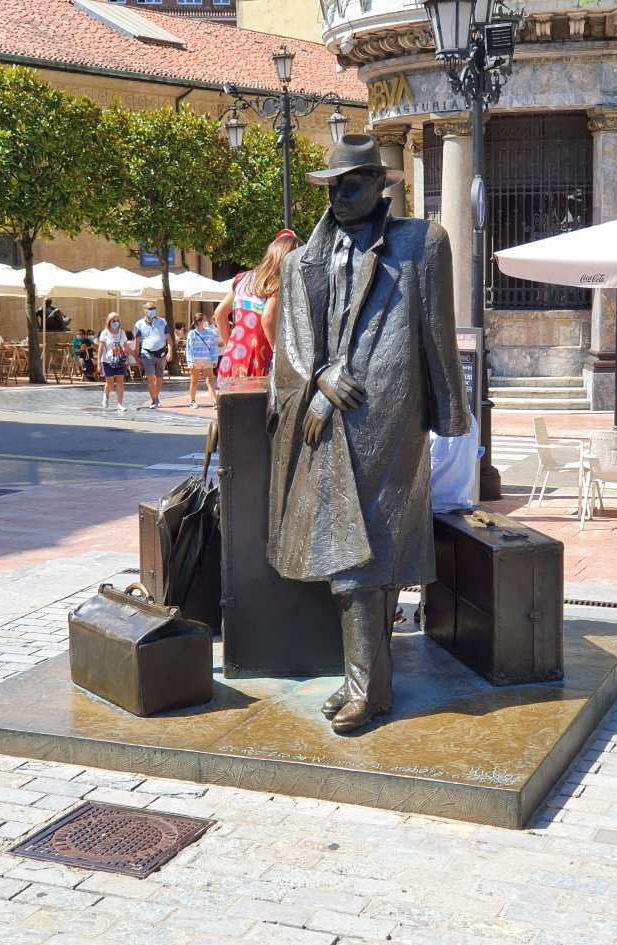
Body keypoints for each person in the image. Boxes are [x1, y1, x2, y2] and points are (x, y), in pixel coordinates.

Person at [267, 134, 470, 734]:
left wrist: (449, 413)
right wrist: (321, 378)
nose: (339, 195)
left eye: (351, 182)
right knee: (355, 553)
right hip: (326, 419)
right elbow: (294, 346)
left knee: (365, 553)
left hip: (390, 415)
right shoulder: (307, 256)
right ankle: (369, 683)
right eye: (332, 185)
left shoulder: (422, 243)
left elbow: (437, 332)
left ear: (381, 184)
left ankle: (367, 686)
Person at [214, 230, 301, 381]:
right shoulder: (277, 283)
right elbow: (267, 319)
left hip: (232, 362)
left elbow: (219, 314)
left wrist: (233, 348)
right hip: (258, 365)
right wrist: (280, 357)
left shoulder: (242, 280)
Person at [133, 301, 173, 409]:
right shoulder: (139, 324)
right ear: (144, 310)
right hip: (147, 352)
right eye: (150, 308)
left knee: (159, 378)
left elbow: (169, 338)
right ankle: (154, 399)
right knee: (150, 377)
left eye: (153, 308)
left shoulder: (162, 322)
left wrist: (170, 351)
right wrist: (136, 357)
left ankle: (156, 396)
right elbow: (136, 342)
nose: (152, 310)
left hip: (161, 353)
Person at [97, 313, 129, 412]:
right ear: (109, 321)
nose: (116, 323)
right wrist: (98, 363)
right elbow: (101, 348)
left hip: (120, 360)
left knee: (120, 382)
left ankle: (119, 404)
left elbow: (125, 346)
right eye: (113, 321)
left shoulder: (122, 333)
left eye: (117, 320)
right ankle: (106, 396)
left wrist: (132, 355)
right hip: (107, 361)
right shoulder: (104, 333)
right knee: (110, 383)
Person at [185, 313, 218, 408]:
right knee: (194, 381)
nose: (206, 321)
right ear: (199, 322)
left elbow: (212, 346)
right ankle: (192, 401)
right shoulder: (192, 333)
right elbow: (189, 348)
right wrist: (190, 362)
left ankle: (214, 401)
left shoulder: (209, 332)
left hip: (207, 359)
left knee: (210, 381)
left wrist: (214, 359)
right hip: (196, 359)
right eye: (204, 320)